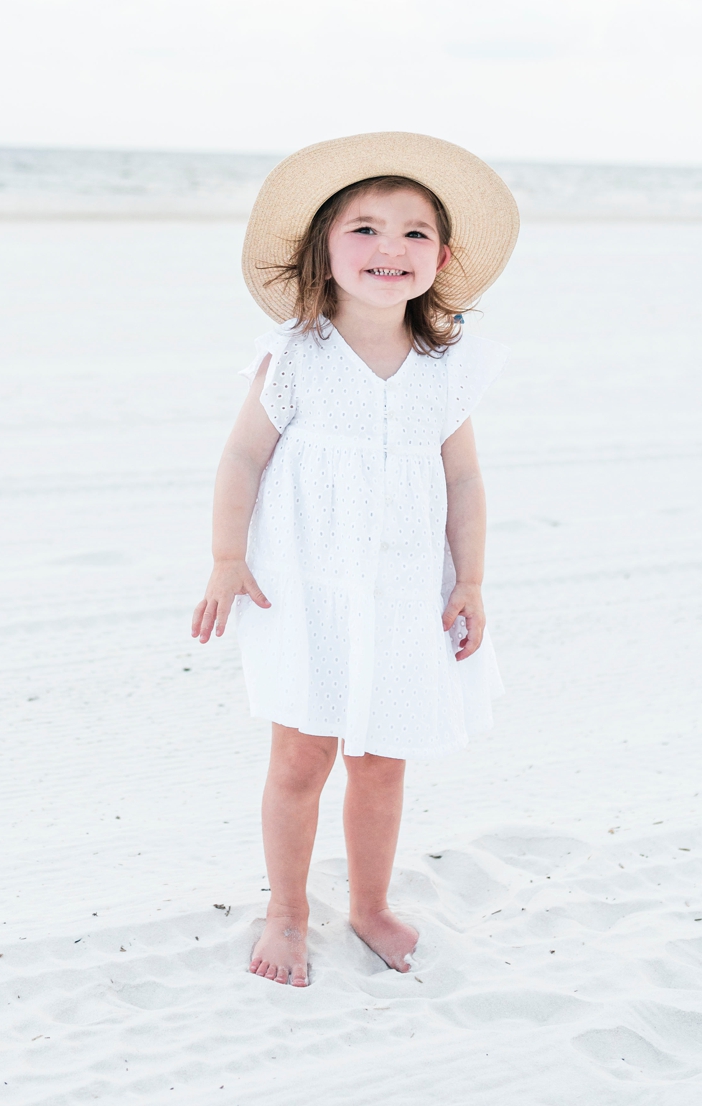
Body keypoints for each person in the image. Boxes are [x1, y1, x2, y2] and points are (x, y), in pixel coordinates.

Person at [191, 132, 520, 987]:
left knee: (382, 761)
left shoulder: (446, 370)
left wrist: (472, 581)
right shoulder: (296, 357)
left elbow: (466, 479)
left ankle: (371, 905)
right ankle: (288, 909)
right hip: (309, 593)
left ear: (442, 257)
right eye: (365, 229)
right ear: (324, 249)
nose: (390, 249)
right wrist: (228, 556)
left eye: (415, 233)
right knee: (302, 758)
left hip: (406, 596)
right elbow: (241, 460)